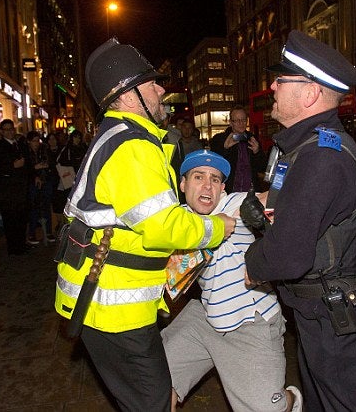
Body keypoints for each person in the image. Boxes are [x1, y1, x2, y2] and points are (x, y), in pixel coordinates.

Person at [54, 38, 236, 412]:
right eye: (151, 83)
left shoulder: (116, 137)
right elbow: (163, 228)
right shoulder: (133, 146)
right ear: (127, 94)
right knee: (154, 403)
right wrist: (219, 226)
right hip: (114, 312)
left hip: (106, 307)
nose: (161, 89)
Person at [239, 30, 356, 411]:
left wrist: (253, 263)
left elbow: (288, 255)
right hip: (321, 312)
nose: (272, 86)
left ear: (309, 93)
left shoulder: (321, 158)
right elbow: (304, 217)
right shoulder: (306, 146)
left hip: (335, 316)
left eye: (281, 80)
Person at [161, 149, 302, 412]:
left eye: (215, 179)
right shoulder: (177, 219)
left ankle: (291, 400)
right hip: (205, 317)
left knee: (267, 409)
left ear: (222, 187)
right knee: (154, 387)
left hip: (250, 322)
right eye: (198, 176)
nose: (207, 185)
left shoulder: (230, 205)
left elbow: (264, 200)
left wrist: (276, 192)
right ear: (182, 184)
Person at [0, 119, 29, 255]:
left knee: (21, 218)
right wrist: (13, 166)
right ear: (2, 131)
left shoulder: (19, 144)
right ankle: (14, 247)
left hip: (20, 189)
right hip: (8, 191)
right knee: (10, 220)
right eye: (6, 130)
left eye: (11, 129)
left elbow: (27, 161)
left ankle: (21, 244)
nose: (10, 132)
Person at [210, 105, 267, 193]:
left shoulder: (252, 139)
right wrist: (225, 148)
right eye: (237, 120)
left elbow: (262, 167)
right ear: (230, 122)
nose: (241, 123)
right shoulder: (220, 139)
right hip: (228, 192)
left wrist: (257, 152)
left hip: (251, 192)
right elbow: (213, 165)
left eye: (243, 120)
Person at [24, 131, 54, 244]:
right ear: (29, 142)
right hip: (33, 183)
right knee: (34, 208)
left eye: (38, 141)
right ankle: (32, 233)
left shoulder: (44, 150)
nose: (36, 143)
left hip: (45, 180)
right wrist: (34, 169)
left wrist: (44, 166)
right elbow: (26, 169)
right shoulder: (26, 152)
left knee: (46, 207)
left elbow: (50, 163)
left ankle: (49, 232)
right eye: (34, 141)